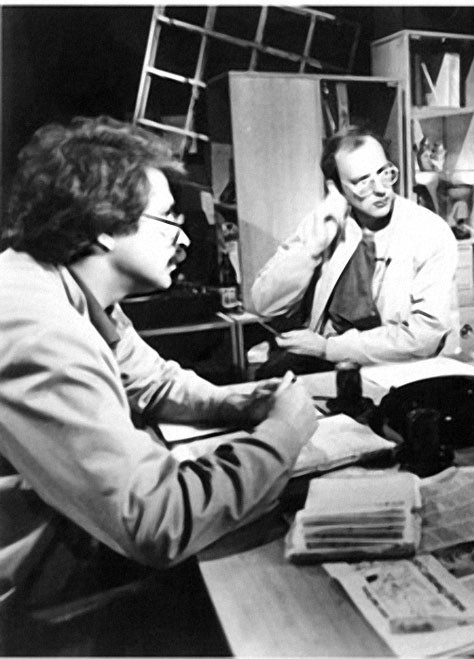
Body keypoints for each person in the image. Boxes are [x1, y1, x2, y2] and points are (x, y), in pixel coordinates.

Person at [0, 116, 318, 652]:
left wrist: (240, 402)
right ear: (104, 225)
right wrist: (284, 434)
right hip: (26, 609)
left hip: (65, 546)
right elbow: (157, 520)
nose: (185, 237)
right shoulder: (39, 329)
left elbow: (151, 382)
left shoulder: (63, 286)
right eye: (169, 218)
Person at [250, 126, 459, 376]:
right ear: (337, 187)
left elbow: (423, 338)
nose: (381, 189)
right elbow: (265, 304)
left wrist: (328, 348)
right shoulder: (326, 223)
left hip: (400, 369)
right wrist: (312, 248)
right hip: (328, 368)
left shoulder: (429, 231)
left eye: (384, 173)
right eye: (362, 182)